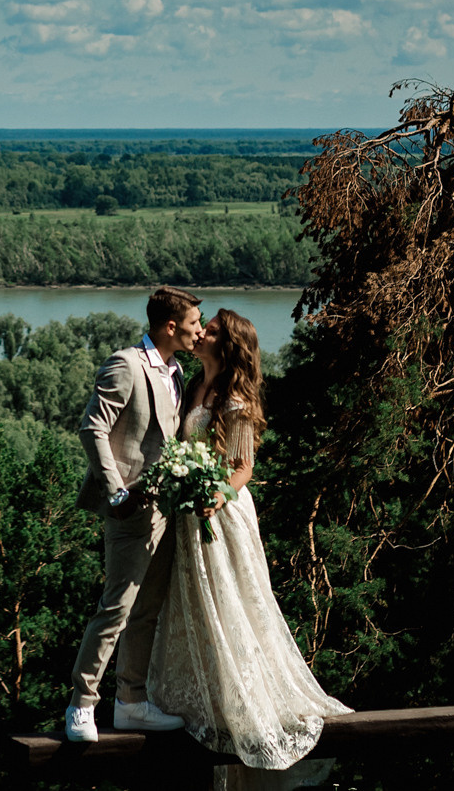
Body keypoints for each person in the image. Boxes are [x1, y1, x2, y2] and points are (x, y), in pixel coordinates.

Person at [146, 309, 351, 786]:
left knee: (232, 606)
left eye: (211, 330)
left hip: (222, 513)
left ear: (227, 344)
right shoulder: (192, 386)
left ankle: (246, 706)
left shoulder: (235, 399)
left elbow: (242, 468)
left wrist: (215, 495)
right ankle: (210, 702)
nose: (201, 334)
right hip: (190, 512)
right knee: (195, 608)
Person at [63, 285, 204, 742]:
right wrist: (117, 491)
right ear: (169, 326)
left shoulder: (177, 370)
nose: (197, 332)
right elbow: (93, 428)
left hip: (166, 509)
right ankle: (81, 706)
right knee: (116, 609)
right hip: (129, 510)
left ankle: (131, 703)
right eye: (192, 324)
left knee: (148, 610)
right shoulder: (127, 364)